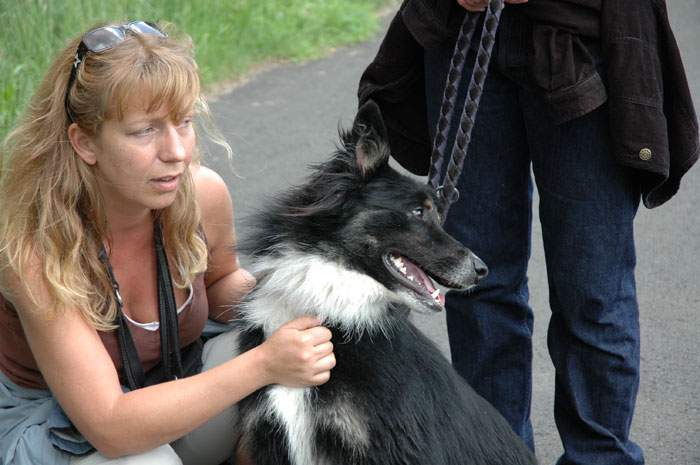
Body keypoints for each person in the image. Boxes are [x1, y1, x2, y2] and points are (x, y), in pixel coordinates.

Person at [359, 1, 699, 464]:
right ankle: (495, 456)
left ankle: (600, 458)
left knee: (593, 293)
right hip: (461, 29)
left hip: (584, 36)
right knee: (478, 285)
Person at [0, 20, 336, 465]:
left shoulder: (200, 195)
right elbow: (112, 425)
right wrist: (263, 364)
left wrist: (300, 300)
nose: (176, 151)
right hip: (72, 428)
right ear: (84, 143)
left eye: (184, 122)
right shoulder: (34, 251)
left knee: (303, 369)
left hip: (171, 381)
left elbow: (220, 286)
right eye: (145, 130)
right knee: (147, 460)